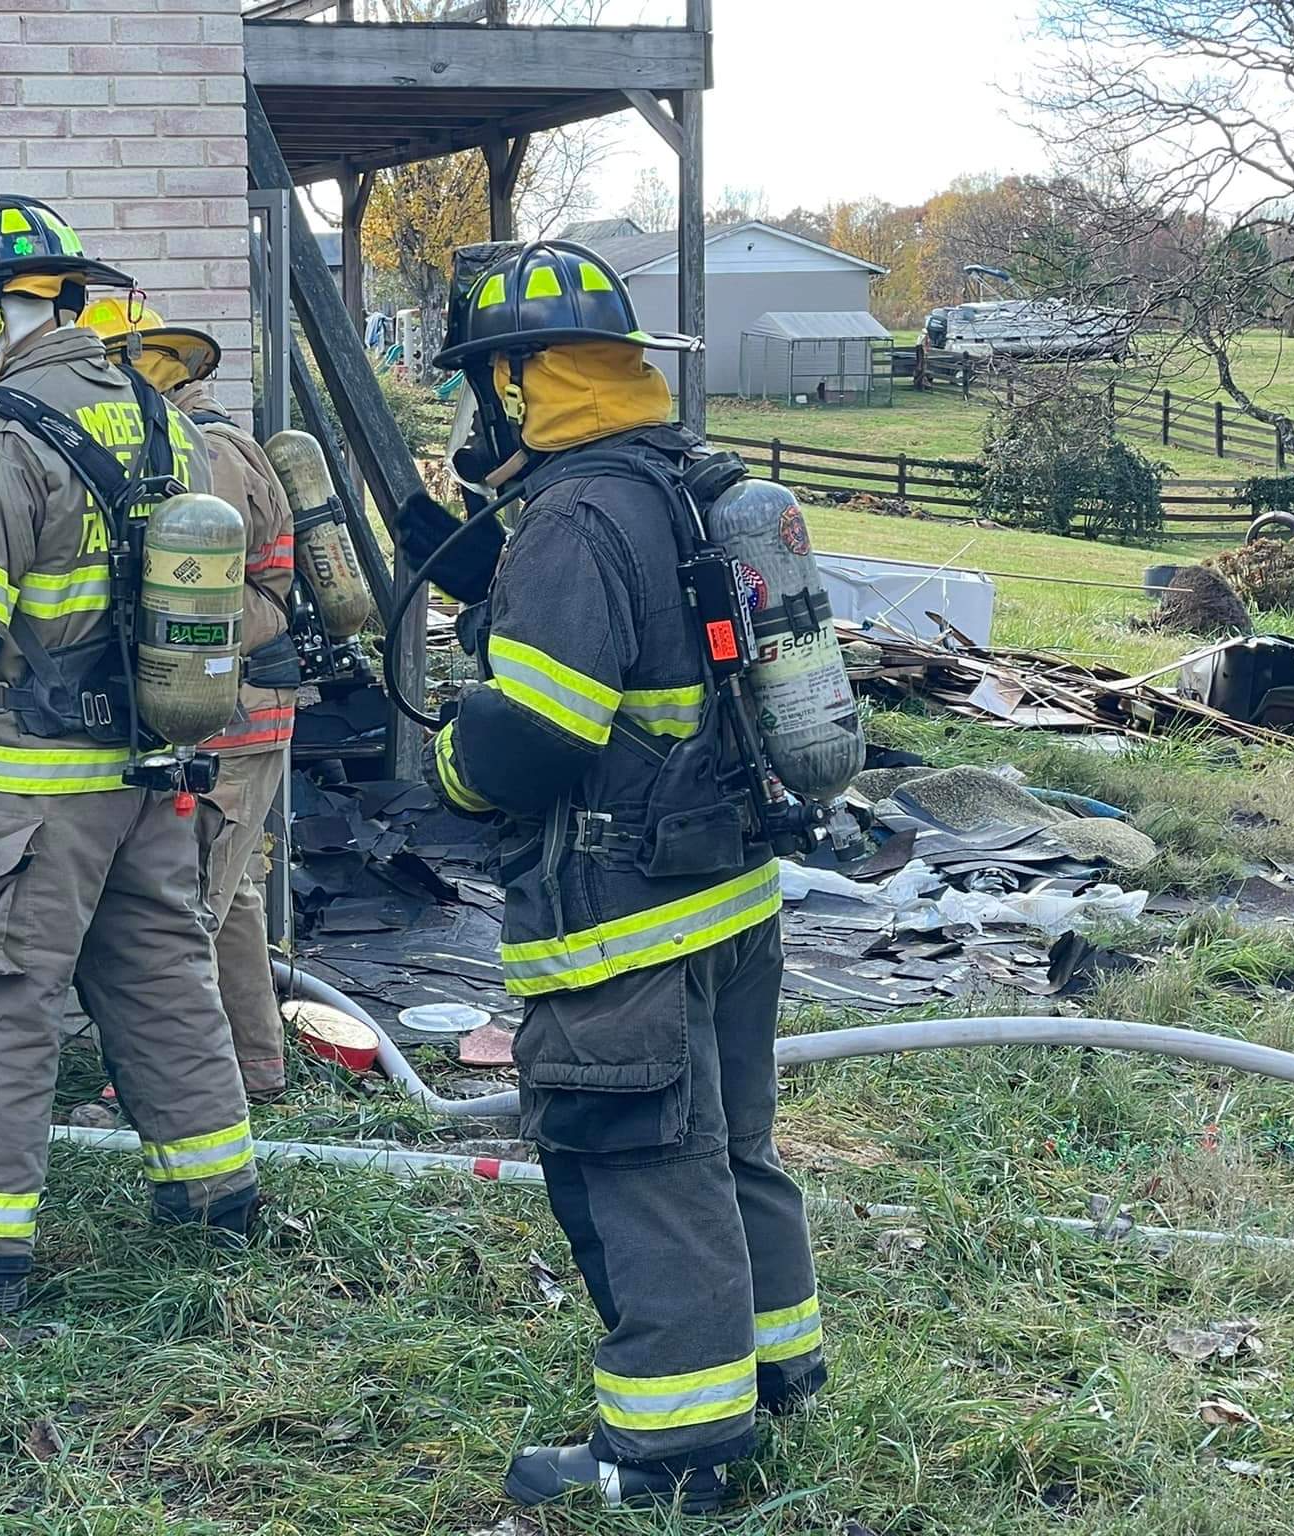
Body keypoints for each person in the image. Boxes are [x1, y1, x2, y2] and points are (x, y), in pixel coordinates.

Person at [412, 242, 825, 1513]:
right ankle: (772, 1366)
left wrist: (449, 763)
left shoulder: (578, 518)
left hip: (622, 914)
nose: (476, 419)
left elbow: (532, 736)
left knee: (642, 1162)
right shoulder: (687, 479)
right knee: (730, 1145)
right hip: (729, 895)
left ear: (522, 388)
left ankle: (673, 1447)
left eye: (484, 389)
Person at [0, 195, 257, 1315]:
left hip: (21, 791)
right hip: (144, 778)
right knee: (162, 979)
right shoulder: (159, 415)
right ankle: (217, 1196)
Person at [83, 300, 297, 1100]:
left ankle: (168, 1084)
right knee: (229, 891)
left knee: (181, 906)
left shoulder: (204, 453)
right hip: (230, 710)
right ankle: (255, 1066)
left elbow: (194, 599)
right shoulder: (184, 440)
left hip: (221, 714)